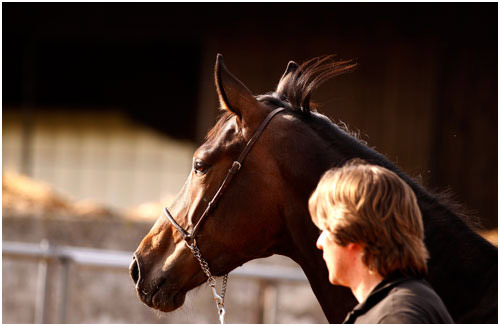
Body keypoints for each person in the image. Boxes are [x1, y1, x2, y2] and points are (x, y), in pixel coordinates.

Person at [308, 160, 454, 324]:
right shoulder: (402, 305)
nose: (319, 243)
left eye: (325, 229)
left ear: (351, 232)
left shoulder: (397, 315)